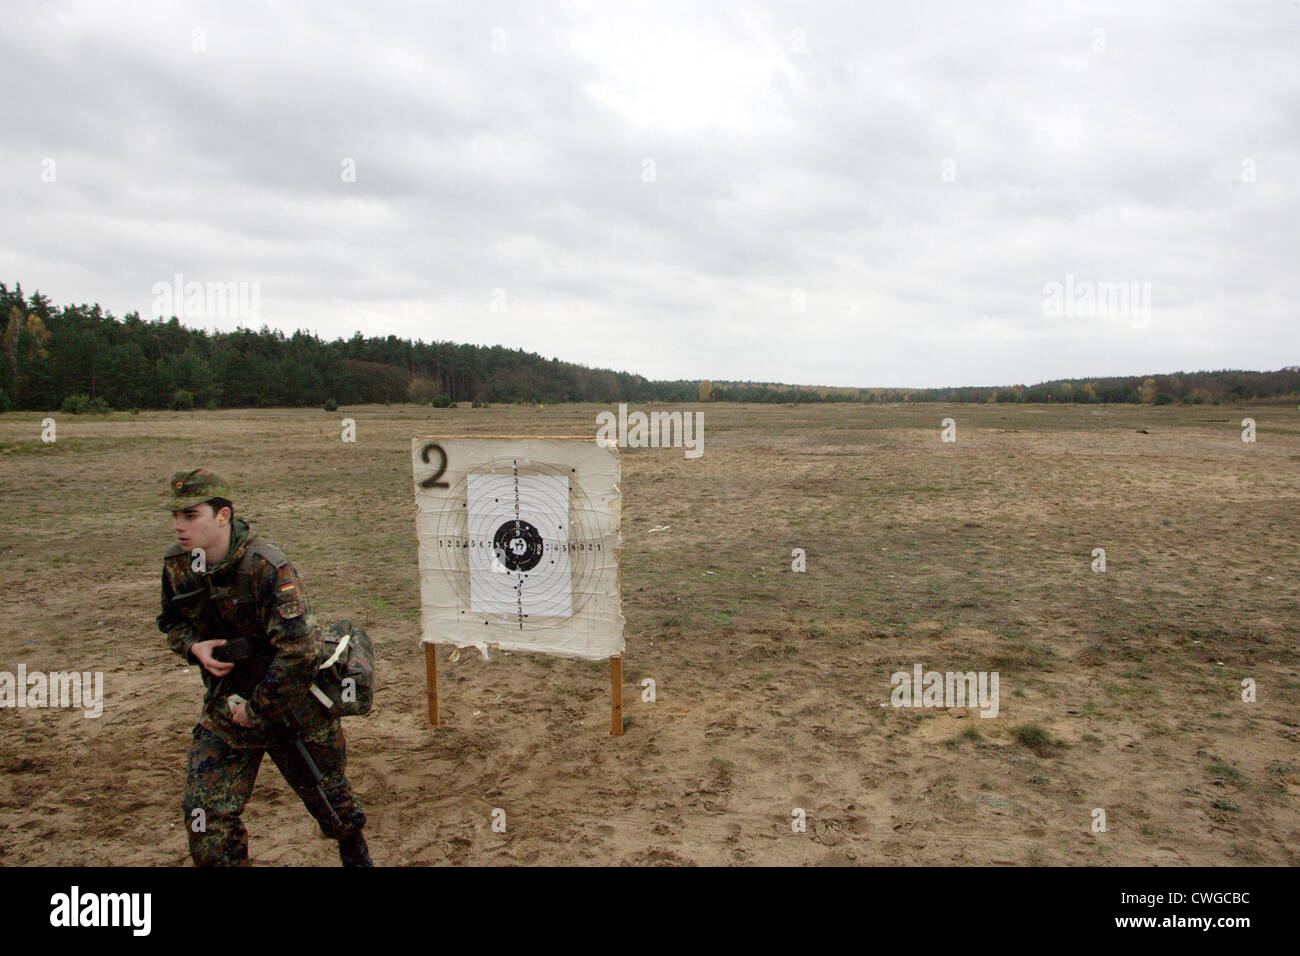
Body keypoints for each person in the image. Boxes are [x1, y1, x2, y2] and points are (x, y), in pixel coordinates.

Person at [155, 468, 372, 866]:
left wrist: (255, 711)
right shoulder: (178, 565)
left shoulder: (267, 566)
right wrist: (193, 649)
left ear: (223, 515)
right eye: (176, 517)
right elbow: (170, 622)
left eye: (190, 516)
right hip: (227, 705)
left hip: (294, 704)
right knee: (206, 817)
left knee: (332, 801)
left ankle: (354, 851)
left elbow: (300, 652)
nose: (178, 527)